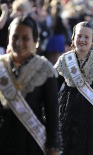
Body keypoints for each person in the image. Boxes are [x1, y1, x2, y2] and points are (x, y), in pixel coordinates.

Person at [0, 16, 60, 155]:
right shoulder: (1, 65)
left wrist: (53, 148)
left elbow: (52, 115)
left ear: (35, 41)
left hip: (31, 141)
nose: (19, 43)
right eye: (15, 37)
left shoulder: (44, 69)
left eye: (25, 38)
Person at [54, 21, 93, 155]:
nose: (82, 40)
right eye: (79, 36)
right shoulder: (64, 60)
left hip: (91, 114)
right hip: (67, 111)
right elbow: (53, 90)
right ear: (73, 38)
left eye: (86, 37)